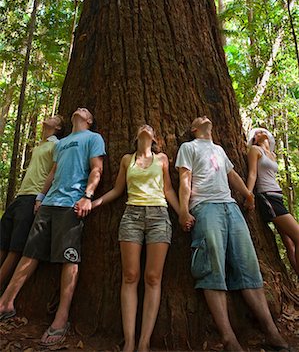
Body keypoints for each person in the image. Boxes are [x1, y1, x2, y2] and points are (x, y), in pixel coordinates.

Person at [176, 116, 289, 352]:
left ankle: (271, 332)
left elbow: (232, 175)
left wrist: (247, 194)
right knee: (211, 267)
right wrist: (184, 211)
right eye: (199, 119)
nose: (206, 117)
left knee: (249, 268)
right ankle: (228, 338)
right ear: (195, 129)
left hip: (231, 207)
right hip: (205, 208)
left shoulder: (218, 149)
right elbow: (185, 180)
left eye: (208, 117)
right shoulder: (188, 147)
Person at [0, 107, 106, 348]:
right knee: (30, 253)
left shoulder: (93, 138)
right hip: (48, 203)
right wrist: (40, 196)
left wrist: (87, 195)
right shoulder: (62, 142)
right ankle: (6, 302)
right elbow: (53, 171)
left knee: (69, 257)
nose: (80, 110)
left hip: (71, 204)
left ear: (89, 120)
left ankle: (61, 317)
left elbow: (96, 169)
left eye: (85, 111)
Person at [85, 124, 180, 352]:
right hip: (131, 216)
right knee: (130, 276)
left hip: (159, 215)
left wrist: (183, 212)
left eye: (150, 127)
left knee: (153, 277)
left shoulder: (162, 160)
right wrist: (94, 202)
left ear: (154, 137)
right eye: (141, 127)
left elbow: (168, 190)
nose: (145, 128)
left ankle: (144, 341)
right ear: (136, 135)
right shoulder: (127, 160)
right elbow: (118, 190)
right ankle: (129, 341)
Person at [0, 114, 64, 289]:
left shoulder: (57, 145)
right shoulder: (40, 145)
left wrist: (41, 197)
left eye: (55, 118)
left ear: (58, 127)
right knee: (3, 241)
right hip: (20, 196)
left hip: (32, 197)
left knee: (16, 246)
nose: (50, 117)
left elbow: (55, 171)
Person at [247, 127, 299, 276]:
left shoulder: (273, 155)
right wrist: (249, 195)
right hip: (267, 197)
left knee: (289, 243)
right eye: (255, 134)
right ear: (254, 140)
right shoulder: (255, 150)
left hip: (277, 197)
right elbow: (252, 174)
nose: (258, 133)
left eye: (260, 131)